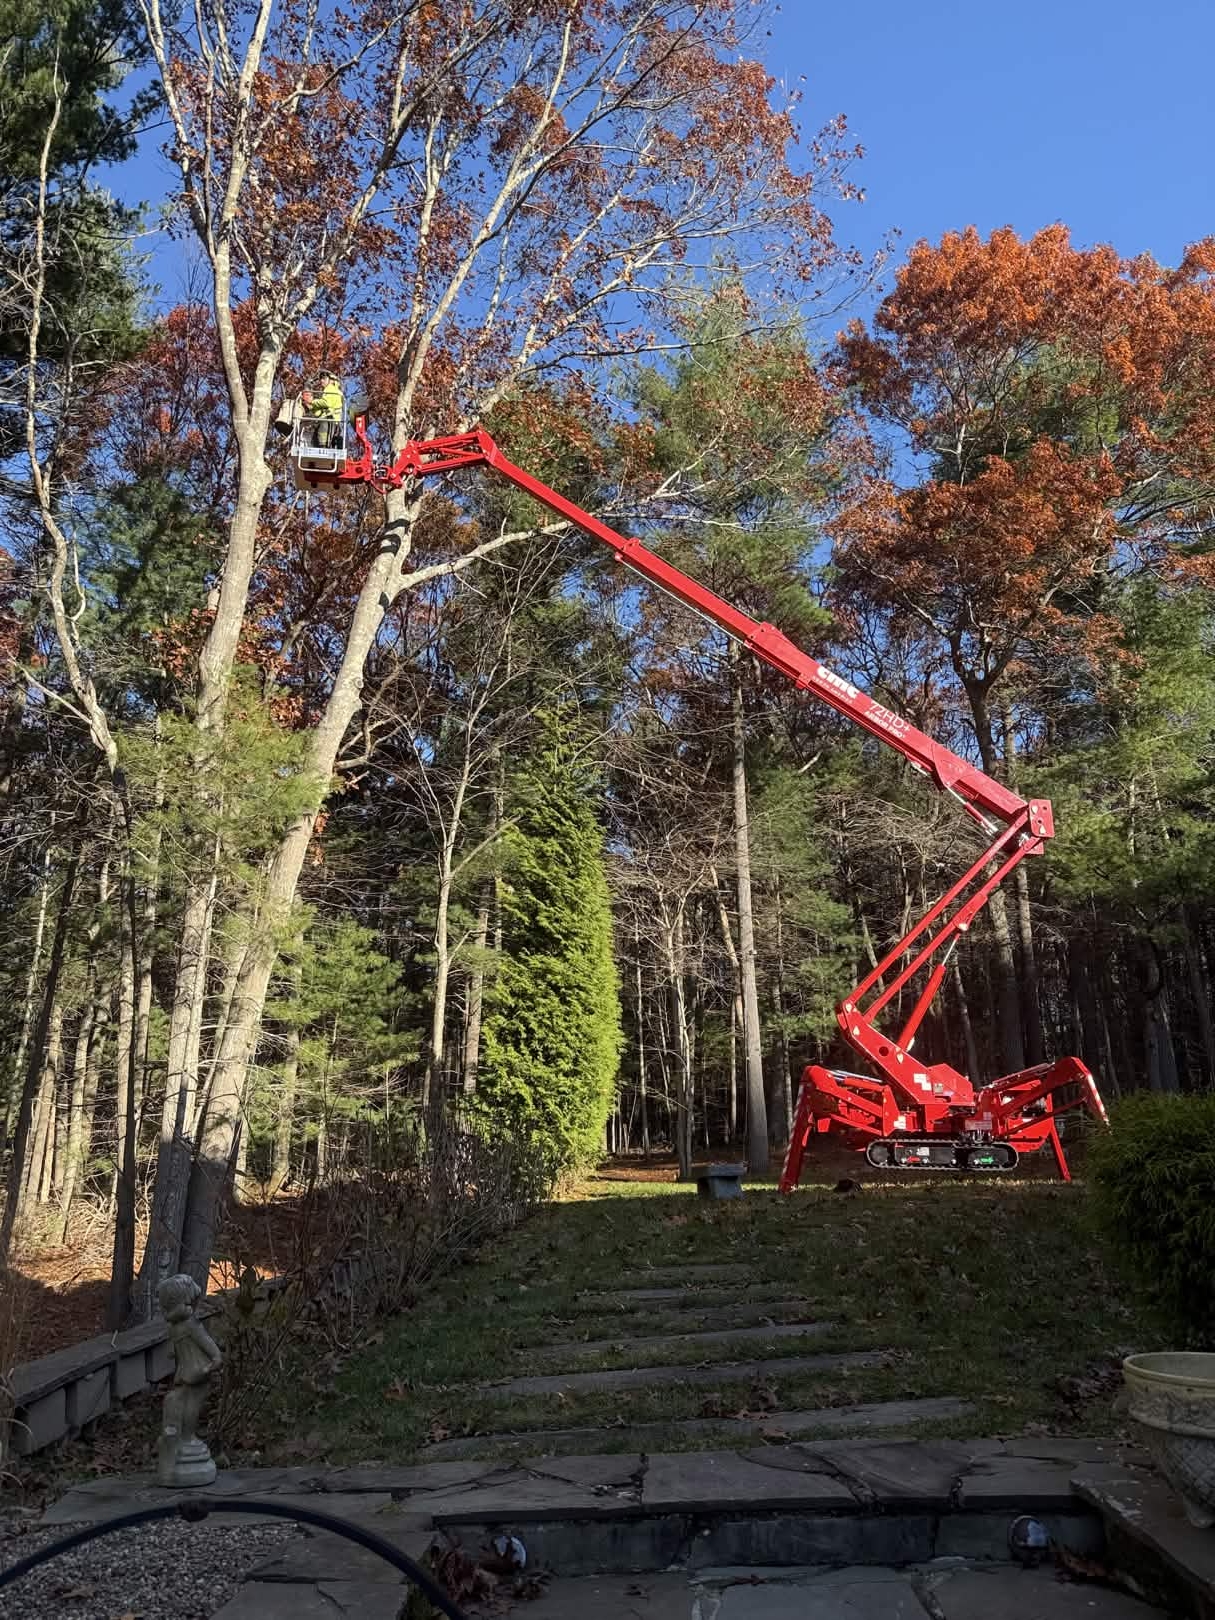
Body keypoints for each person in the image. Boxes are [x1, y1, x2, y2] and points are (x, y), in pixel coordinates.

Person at [301, 370, 345, 449]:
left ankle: (323, 447)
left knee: (322, 440)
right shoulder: (328, 391)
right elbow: (320, 413)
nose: (321, 381)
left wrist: (313, 402)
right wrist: (311, 406)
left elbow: (326, 403)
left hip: (330, 421)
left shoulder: (331, 389)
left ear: (331, 380)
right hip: (329, 422)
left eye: (324, 378)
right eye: (321, 379)